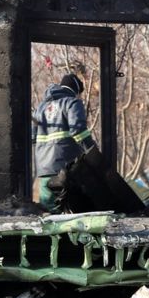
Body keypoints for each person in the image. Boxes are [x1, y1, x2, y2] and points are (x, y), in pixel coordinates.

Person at [32, 73, 97, 212]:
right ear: (76, 90)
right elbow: (78, 131)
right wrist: (93, 152)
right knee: (70, 213)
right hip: (66, 169)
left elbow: (32, 137)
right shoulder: (72, 103)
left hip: (44, 169)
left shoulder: (40, 108)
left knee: (48, 213)